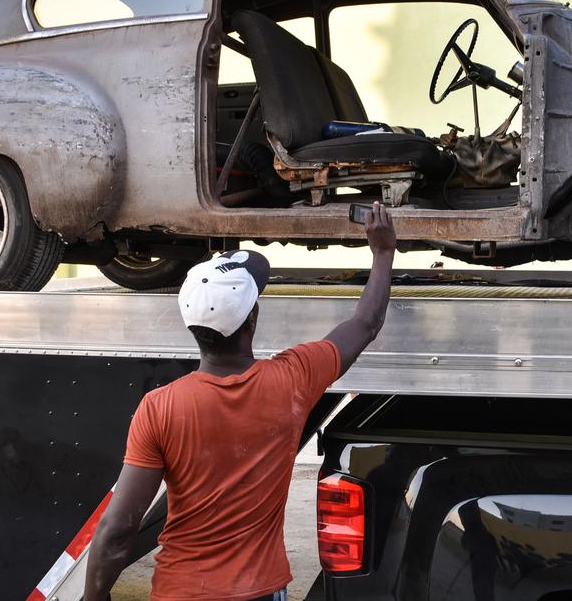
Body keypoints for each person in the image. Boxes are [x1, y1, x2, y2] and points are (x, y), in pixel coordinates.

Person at [84, 202, 398, 601]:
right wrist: (383, 252)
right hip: (260, 592)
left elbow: (120, 527)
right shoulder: (293, 378)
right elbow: (365, 324)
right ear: (252, 319)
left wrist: (93, 596)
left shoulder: (159, 408)